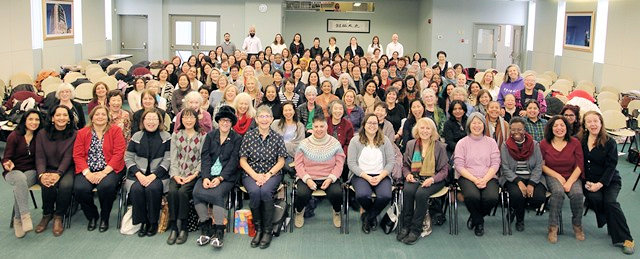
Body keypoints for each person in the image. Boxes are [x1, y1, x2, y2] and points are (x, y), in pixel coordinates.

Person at [580, 111, 635, 254]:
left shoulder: (609, 142)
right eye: (589, 122)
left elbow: (611, 166)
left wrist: (600, 184)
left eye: (595, 121)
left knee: (610, 203)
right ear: (584, 125)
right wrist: (586, 182)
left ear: (601, 123)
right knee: (594, 198)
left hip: (610, 181)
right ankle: (611, 221)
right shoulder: (579, 140)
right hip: (589, 182)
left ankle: (627, 239)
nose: (593, 124)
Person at [193, 106, 241, 248]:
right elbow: (205, 157)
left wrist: (220, 178)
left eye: (228, 121)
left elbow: (234, 162)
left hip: (227, 176)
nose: (225, 123)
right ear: (218, 122)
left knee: (217, 193)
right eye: (222, 120)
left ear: (232, 123)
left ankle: (219, 231)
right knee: (197, 192)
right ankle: (206, 228)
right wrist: (206, 177)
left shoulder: (237, 138)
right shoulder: (210, 135)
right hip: (208, 174)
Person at [240, 105, 287, 249]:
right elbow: (242, 160)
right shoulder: (249, 136)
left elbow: (281, 161)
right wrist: (255, 175)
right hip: (251, 173)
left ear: (272, 119)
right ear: (256, 119)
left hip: (271, 173)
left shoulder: (277, 137)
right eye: (261, 116)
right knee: (254, 192)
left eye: (267, 116)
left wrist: (268, 175)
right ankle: (258, 229)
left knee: (265, 192)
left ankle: (267, 231)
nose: (264, 119)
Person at [72, 105, 125, 233]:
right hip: (88, 169)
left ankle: (104, 218)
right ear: (92, 117)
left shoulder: (115, 130)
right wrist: (87, 172)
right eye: (97, 114)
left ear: (108, 117)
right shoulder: (82, 132)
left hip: (110, 168)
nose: (100, 117)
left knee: (106, 187)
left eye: (103, 114)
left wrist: (104, 172)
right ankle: (92, 216)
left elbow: (119, 153)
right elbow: (77, 155)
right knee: (80, 189)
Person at [398, 117, 448, 244]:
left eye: (428, 128)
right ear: (417, 130)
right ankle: (406, 225)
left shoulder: (440, 147)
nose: (425, 131)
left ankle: (415, 229)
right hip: (415, 176)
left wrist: (432, 179)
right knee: (408, 191)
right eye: (422, 128)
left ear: (432, 131)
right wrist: (408, 174)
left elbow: (444, 170)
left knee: (421, 194)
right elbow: (405, 165)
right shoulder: (411, 144)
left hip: (434, 179)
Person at [124, 109, 172, 238]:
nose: (151, 122)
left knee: (153, 188)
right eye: (148, 119)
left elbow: (168, 159)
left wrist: (153, 175)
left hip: (158, 175)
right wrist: (139, 174)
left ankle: (152, 222)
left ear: (159, 121)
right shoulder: (137, 136)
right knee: (137, 189)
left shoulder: (166, 136)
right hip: (137, 174)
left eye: (154, 119)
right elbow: (128, 157)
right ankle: (142, 221)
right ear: (143, 121)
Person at [539, 114, 586, 244]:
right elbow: (541, 165)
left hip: (572, 175)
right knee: (558, 193)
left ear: (567, 127)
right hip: (552, 174)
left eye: (562, 125)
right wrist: (558, 176)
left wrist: (570, 181)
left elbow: (579, 165)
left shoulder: (575, 142)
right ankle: (553, 227)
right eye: (555, 126)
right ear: (551, 128)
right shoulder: (544, 144)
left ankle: (577, 225)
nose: (559, 128)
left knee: (577, 194)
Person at [293, 115, 345, 228]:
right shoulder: (304, 143)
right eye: (316, 126)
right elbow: (298, 164)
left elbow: (340, 163)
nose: (319, 129)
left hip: (329, 177)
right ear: (312, 127)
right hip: (307, 177)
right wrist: (307, 179)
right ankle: (299, 212)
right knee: (302, 194)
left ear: (326, 127)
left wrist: (331, 178)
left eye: (322, 126)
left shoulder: (335, 143)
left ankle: (336, 212)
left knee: (337, 193)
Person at [454, 112, 500, 236]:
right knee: (472, 196)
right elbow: (459, 165)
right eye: (474, 123)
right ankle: (479, 222)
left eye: (479, 123)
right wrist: (475, 179)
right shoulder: (462, 143)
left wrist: (485, 179)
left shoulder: (491, 142)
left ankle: (475, 215)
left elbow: (495, 163)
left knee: (492, 198)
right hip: (467, 176)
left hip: (488, 176)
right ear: (469, 125)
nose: (477, 126)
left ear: (484, 125)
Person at [348, 113, 395, 234]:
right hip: (361, 175)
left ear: (378, 125)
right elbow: (352, 164)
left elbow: (390, 162)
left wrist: (380, 176)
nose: (372, 125)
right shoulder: (355, 141)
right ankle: (373, 215)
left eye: (375, 123)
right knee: (362, 195)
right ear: (364, 125)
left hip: (381, 175)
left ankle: (368, 217)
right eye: (369, 123)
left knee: (385, 196)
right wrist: (367, 177)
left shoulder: (385, 140)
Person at [166, 108, 207, 245]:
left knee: (183, 192)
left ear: (196, 120)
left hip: (193, 175)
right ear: (181, 120)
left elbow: (202, 158)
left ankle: (183, 228)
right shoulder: (176, 134)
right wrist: (176, 175)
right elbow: (173, 158)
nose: (188, 120)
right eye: (185, 117)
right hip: (177, 174)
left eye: (191, 117)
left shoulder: (202, 135)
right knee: (172, 192)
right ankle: (173, 227)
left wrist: (194, 175)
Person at [35, 105, 77, 237]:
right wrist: (41, 174)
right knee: (47, 183)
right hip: (46, 167)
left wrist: (58, 173)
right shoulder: (42, 133)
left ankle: (59, 215)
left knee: (66, 185)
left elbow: (68, 156)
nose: (61, 118)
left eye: (65, 115)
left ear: (69, 119)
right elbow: (40, 156)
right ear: (52, 118)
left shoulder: (75, 134)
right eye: (58, 115)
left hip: (67, 168)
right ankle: (47, 214)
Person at [499, 117, 546, 232]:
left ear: (525, 130)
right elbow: (505, 168)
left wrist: (531, 183)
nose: (516, 132)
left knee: (539, 198)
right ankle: (520, 219)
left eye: (519, 129)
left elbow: (538, 166)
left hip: (532, 177)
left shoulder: (534, 145)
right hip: (513, 177)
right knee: (517, 195)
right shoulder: (505, 146)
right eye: (513, 129)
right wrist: (518, 182)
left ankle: (515, 208)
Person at [3, 110, 42, 238]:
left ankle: (18, 220)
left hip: (31, 171)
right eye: (31, 119)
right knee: (20, 179)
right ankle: (25, 216)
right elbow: (6, 157)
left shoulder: (40, 136)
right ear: (24, 120)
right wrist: (7, 163)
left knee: (21, 184)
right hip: (13, 171)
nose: (34, 122)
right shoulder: (14, 136)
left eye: (37, 120)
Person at [270, 101, 306, 174]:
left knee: (289, 165)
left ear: (294, 111)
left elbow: (300, 144)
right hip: (276, 154)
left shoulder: (300, 126)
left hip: (293, 154)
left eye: (290, 110)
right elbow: (271, 141)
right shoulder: (275, 123)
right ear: (282, 112)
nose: (288, 112)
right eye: (285, 110)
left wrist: (282, 146)